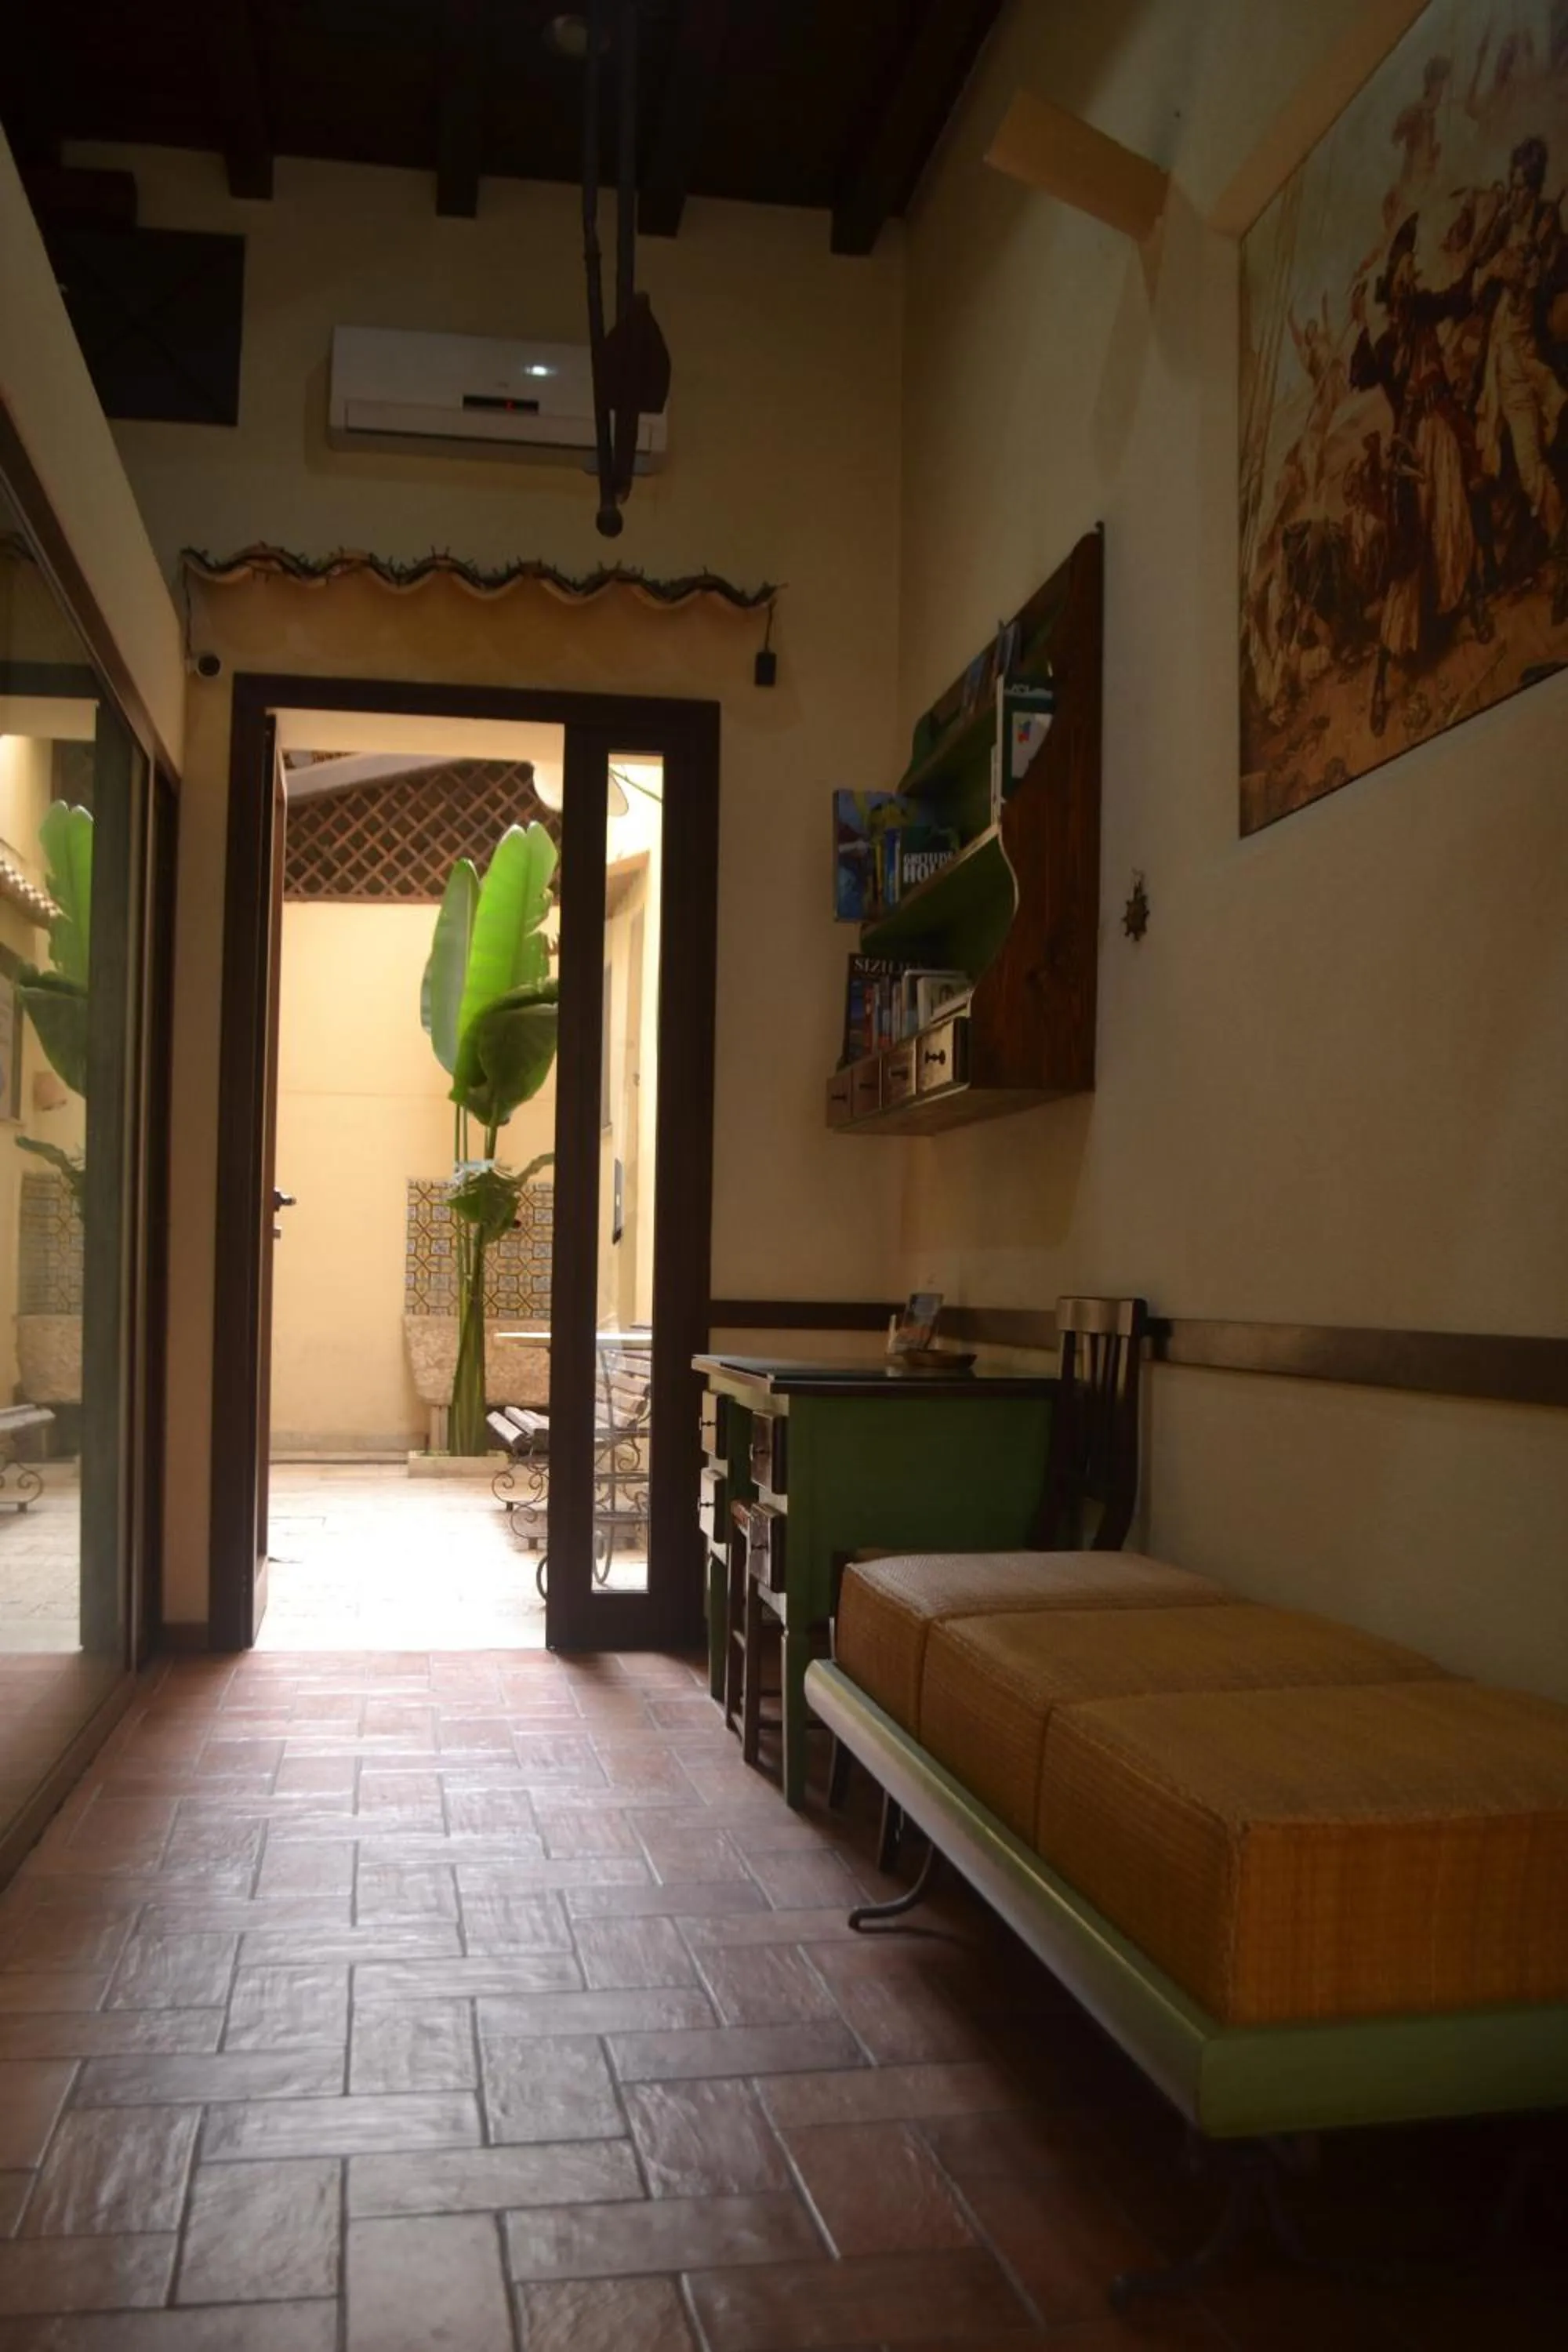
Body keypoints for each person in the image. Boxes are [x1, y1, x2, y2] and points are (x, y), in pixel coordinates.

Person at [1349, 216, 1483, 734]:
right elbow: (1359, 375)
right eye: (1401, 280)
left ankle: (1472, 603)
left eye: (1411, 275)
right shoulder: (1386, 347)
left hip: (1440, 429)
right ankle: (1381, 678)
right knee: (1409, 554)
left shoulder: (1426, 311)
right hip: (1409, 453)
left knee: (1454, 520)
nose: (1408, 285)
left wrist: (1472, 257)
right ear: (1393, 294)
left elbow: (1457, 298)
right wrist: (1360, 322)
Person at [1471, 136, 1568, 618]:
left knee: (1539, 456)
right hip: (1502, 362)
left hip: (1532, 352)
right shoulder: (1508, 223)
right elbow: (1480, 268)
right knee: (1513, 466)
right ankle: (1545, 554)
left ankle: (1561, 558)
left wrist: (1531, 271)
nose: (1515, 193)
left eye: (1520, 185)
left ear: (1534, 184)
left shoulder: (1549, 220)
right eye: (1511, 185)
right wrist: (1496, 267)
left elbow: (1550, 282)